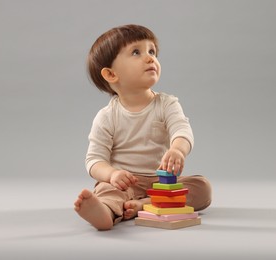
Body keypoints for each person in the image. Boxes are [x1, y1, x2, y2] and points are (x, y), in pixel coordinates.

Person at [74, 24, 212, 230]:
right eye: (136, 52)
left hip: (162, 182)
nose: (150, 58)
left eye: (152, 51)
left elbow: (181, 130)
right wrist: (112, 174)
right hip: (124, 184)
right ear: (111, 75)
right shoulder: (107, 116)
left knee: (202, 188)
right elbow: (94, 160)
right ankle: (103, 212)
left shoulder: (167, 104)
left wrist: (177, 150)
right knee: (107, 191)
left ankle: (145, 204)